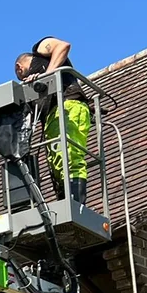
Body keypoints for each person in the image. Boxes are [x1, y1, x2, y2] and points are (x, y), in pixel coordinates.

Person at [14, 37, 91, 204]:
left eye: (20, 75)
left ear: (19, 68)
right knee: (57, 162)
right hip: (53, 115)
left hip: (67, 106)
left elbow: (63, 46)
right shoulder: (35, 80)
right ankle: (67, 201)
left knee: (69, 157)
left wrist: (47, 74)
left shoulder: (39, 49)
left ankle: (76, 204)